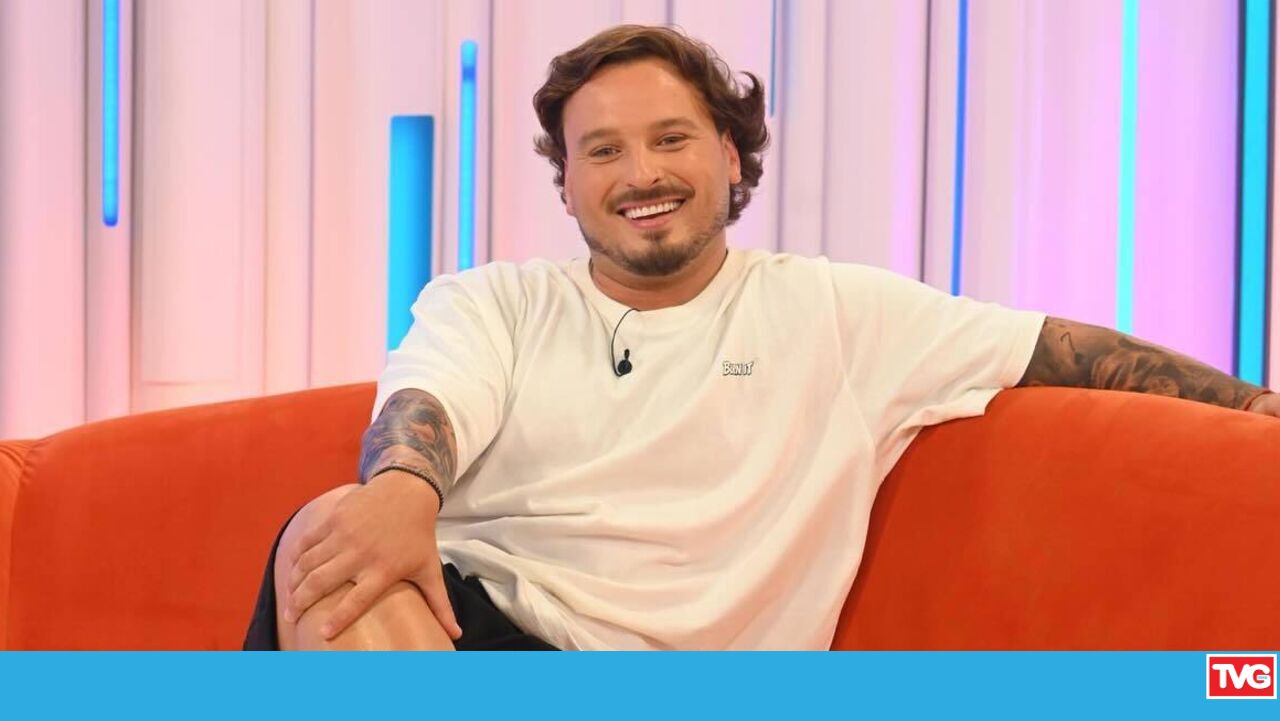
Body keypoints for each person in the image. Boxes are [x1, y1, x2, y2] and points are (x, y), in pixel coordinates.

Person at [243, 24, 1278, 651]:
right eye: (601, 151)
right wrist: (399, 492)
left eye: (671, 139)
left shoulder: (838, 314)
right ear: (566, 184)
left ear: (733, 158)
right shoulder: (492, 302)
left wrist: (1248, 404)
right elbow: (428, 404)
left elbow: (1058, 349)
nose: (640, 173)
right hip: (477, 640)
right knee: (331, 532)